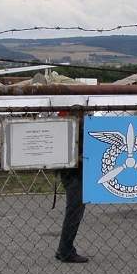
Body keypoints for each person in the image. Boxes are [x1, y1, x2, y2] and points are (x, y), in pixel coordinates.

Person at [55, 108, 88, 263]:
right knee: (74, 211)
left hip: (71, 171)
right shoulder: (78, 126)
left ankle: (64, 247)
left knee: (75, 210)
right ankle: (66, 250)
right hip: (74, 173)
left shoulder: (68, 126)